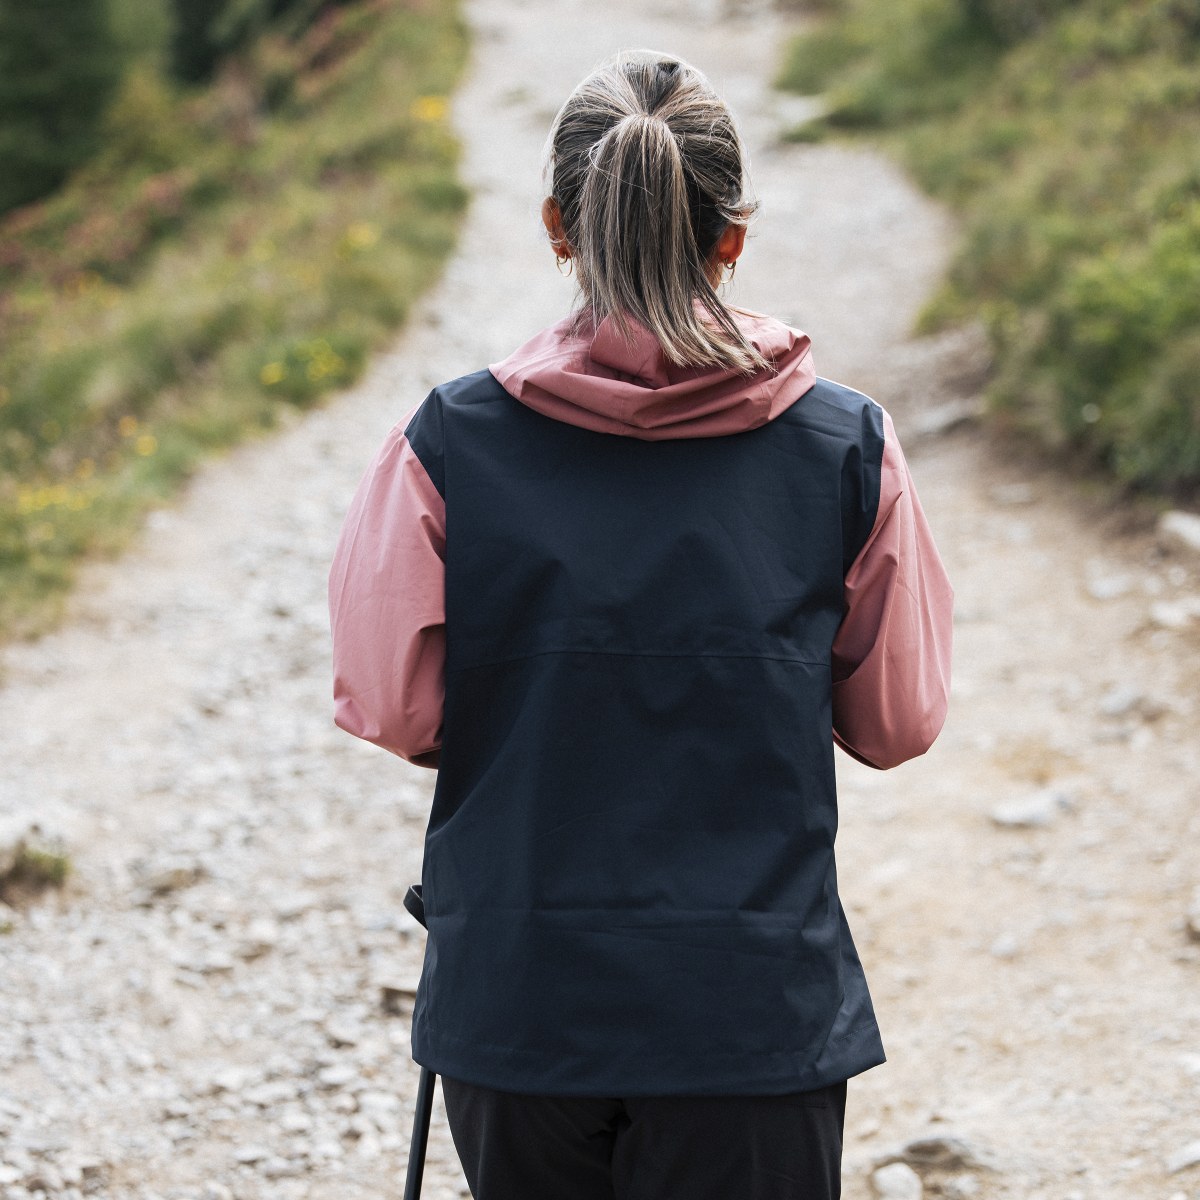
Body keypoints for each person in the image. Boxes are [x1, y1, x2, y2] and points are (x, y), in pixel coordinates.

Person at [328, 48, 953, 1200]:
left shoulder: (447, 443)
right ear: (733, 236)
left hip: (518, 997)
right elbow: (897, 721)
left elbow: (396, 705)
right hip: (751, 1013)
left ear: (560, 227)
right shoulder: (846, 447)